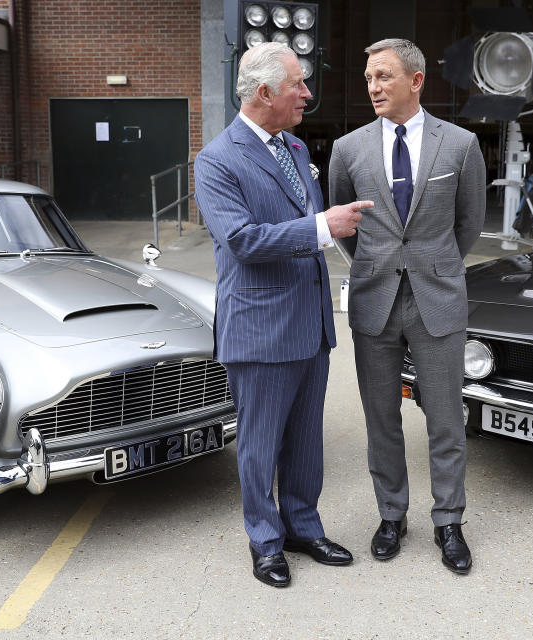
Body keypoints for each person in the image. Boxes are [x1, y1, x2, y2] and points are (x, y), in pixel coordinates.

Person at [194, 42, 370, 588]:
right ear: (265, 91)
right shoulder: (217, 160)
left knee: (305, 440)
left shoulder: (293, 147)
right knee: (260, 443)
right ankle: (265, 543)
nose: (307, 93)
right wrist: (325, 227)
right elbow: (243, 240)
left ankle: (302, 527)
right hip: (262, 329)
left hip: (309, 324)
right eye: (298, 84)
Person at [328, 38, 486, 575]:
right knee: (381, 419)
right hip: (374, 299)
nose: (373, 87)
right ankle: (391, 514)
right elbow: (349, 231)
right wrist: (381, 262)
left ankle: (448, 521)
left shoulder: (460, 145)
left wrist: (431, 265)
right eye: (368, 77)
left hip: (437, 299)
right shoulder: (347, 149)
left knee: (444, 419)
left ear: (416, 81)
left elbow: (468, 225)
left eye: (384, 77)